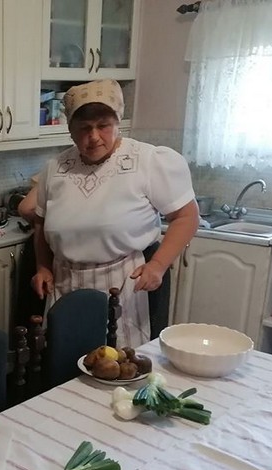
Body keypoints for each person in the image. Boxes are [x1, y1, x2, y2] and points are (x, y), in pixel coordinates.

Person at [29, 79, 199, 348]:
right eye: (84, 128)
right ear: (70, 130)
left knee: (117, 363)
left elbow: (186, 216)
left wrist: (157, 265)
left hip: (122, 286)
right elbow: (40, 222)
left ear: (118, 123)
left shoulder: (148, 161)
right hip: (65, 284)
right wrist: (43, 266)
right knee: (66, 362)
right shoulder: (56, 168)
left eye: (103, 126)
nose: (94, 136)